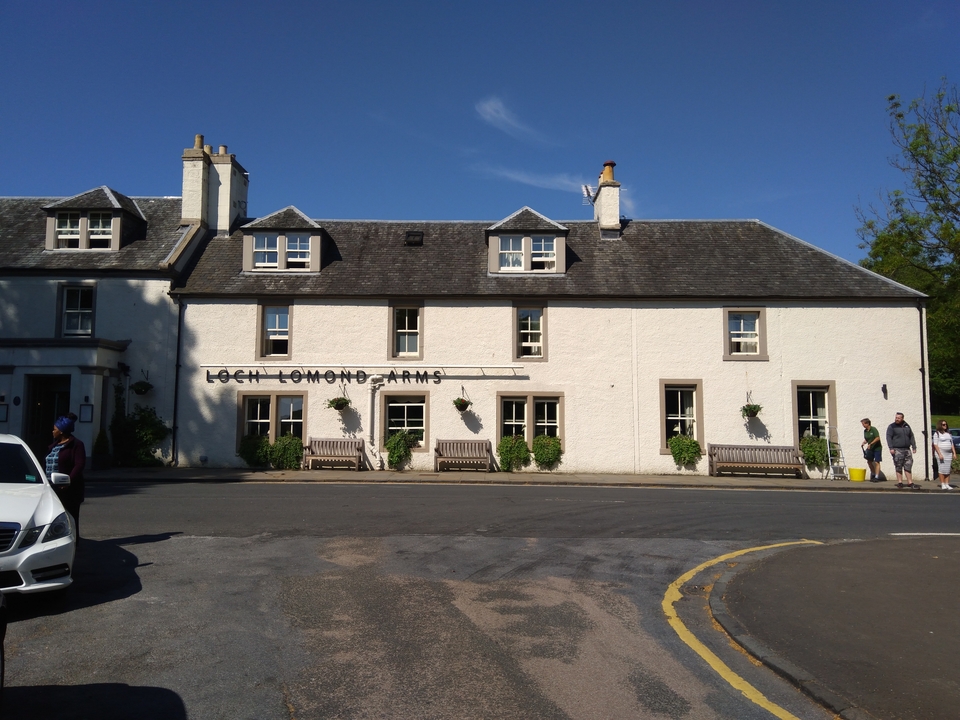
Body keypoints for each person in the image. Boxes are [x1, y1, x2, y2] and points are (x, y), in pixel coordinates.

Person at [45, 414, 85, 540]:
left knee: (70, 517)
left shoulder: (76, 445)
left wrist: (68, 481)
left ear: (61, 431)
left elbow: (79, 465)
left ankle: (73, 543)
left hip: (68, 490)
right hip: (52, 488)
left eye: (55, 429)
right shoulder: (54, 446)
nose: (52, 431)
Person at [886, 412, 918, 489]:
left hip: (907, 449)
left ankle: (910, 482)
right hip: (897, 449)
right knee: (898, 466)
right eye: (896, 417)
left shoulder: (907, 426)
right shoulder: (892, 426)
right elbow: (888, 437)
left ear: (902, 418)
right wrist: (891, 448)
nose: (897, 419)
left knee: (908, 465)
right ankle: (900, 482)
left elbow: (911, 436)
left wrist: (914, 447)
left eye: (898, 418)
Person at [932, 419, 955, 490]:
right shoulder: (937, 433)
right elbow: (935, 444)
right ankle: (942, 484)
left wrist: (954, 453)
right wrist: (940, 454)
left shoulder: (949, 434)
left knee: (947, 469)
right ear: (940, 425)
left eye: (946, 424)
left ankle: (947, 484)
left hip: (948, 454)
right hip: (941, 454)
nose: (945, 426)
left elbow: (951, 444)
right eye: (943, 424)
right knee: (942, 469)